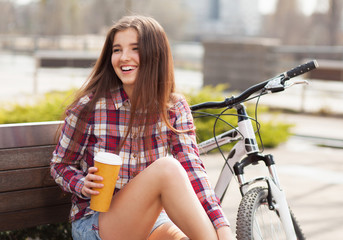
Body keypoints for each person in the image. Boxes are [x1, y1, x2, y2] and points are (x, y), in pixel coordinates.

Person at [50, 15, 234, 240]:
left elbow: (193, 170)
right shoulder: (89, 108)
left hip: (154, 222)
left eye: (134, 48)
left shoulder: (174, 107)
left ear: (155, 55)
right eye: (117, 50)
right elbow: (60, 165)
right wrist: (82, 183)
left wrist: (222, 227)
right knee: (167, 168)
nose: (123, 57)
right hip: (97, 223)